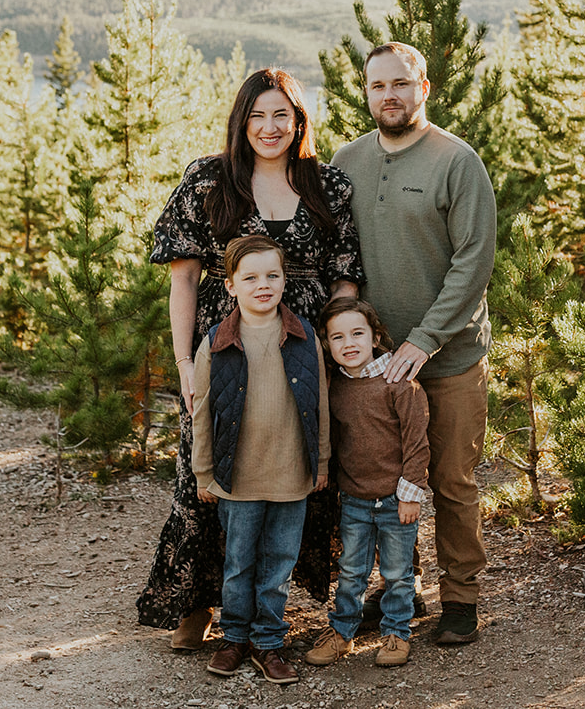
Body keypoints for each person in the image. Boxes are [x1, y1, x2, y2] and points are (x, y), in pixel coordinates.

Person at [138, 68, 362, 650]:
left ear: (299, 121)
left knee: (300, 465)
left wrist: (340, 350)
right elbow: (184, 279)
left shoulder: (328, 185)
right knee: (207, 469)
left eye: (281, 115)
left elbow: (345, 277)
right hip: (224, 345)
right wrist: (185, 364)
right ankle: (199, 602)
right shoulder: (209, 181)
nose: (269, 127)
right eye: (257, 115)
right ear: (241, 120)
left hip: (305, 346)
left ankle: (280, 606)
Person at [331, 41, 496, 645]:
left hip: (448, 358)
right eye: (378, 86)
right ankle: (404, 586)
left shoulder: (456, 161)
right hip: (374, 365)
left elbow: (474, 262)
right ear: (366, 92)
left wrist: (424, 340)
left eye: (400, 83)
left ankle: (461, 598)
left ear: (423, 87)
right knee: (377, 479)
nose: (389, 96)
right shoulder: (347, 161)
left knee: (450, 481)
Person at [191, 234, 329, 685]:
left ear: (285, 280)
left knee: (279, 564)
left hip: (291, 473)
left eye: (272, 275)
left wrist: (322, 463)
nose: (263, 285)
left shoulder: (304, 337)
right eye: (250, 278)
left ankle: (268, 642)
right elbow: (202, 413)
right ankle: (234, 638)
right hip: (238, 477)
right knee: (239, 563)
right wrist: (203, 473)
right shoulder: (217, 342)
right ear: (231, 286)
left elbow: (321, 404)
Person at [304, 297, 429, 669]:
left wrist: (411, 493)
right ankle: (342, 632)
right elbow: (336, 442)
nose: (349, 343)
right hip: (355, 499)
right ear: (327, 344)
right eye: (338, 337)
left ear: (375, 337)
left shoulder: (399, 381)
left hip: (395, 499)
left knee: (398, 574)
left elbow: (416, 441)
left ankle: (396, 633)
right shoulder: (335, 387)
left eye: (357, 333)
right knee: (351, 572)